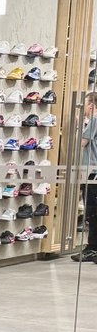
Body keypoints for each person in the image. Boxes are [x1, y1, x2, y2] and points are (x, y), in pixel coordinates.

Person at [74, 92, 97, 262]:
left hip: (92, 171)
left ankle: (92, 248)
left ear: (91, 105)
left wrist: (80, 125)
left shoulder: (94, 120)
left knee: (92, 211)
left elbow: (82, 142)